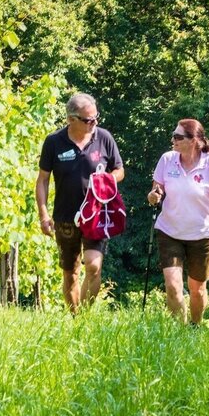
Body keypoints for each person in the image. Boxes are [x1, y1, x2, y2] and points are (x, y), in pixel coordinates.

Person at [36, 92, 124, 312]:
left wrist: (107, 179)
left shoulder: (103, 137)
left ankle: (84, 315)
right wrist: (43, 214)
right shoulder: (54, 142)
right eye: (88, 120)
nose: (94, 123)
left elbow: (119, 170)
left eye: (96, 118)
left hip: (96, 215)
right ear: (71, 119)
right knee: (70, 273)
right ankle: (75, 317)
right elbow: (43, 180)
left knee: (93, 266)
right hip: (66, 216)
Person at [147, 118, 209, 325]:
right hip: (169, 231)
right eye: (173, 135)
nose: (173, 140)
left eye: (178, 137)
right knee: (173, 285)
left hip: (202, 235)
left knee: (197, 289)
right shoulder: (167, 160)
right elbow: (156, 189)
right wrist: (153, 196)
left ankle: (195, 327)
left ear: (194, 140)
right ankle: (179, 331)